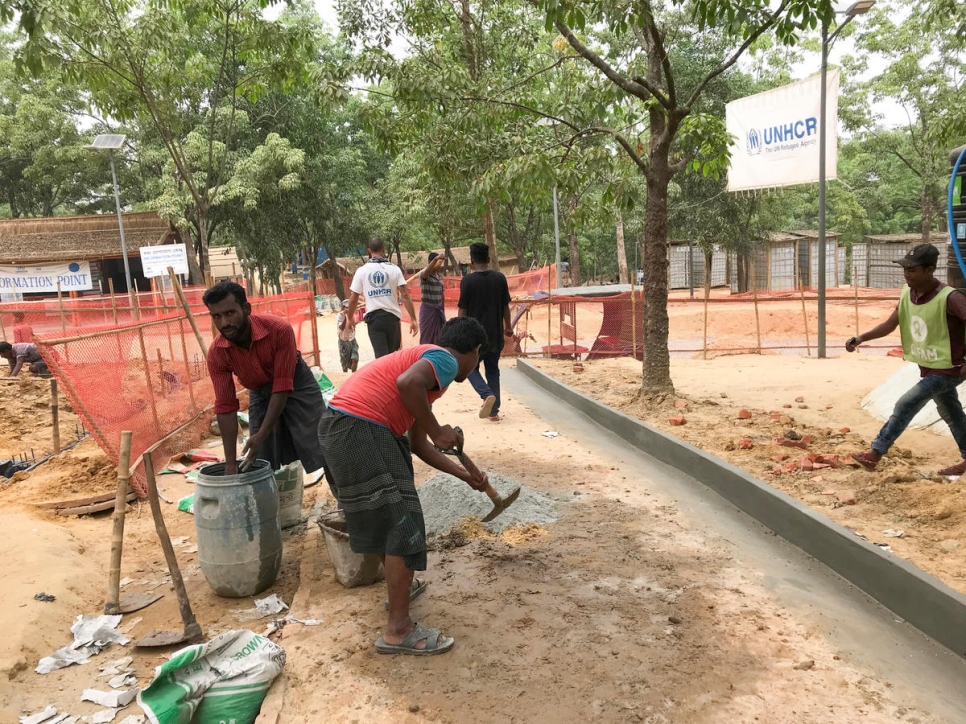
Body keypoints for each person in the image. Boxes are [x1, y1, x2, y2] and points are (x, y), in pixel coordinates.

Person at [317, 317, 489, 656]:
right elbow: (407, 383)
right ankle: (398, 630)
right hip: (362, 427)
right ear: (475, 351)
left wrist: (465, 475)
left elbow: (419, 445)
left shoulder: (425, 371)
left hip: (341, 428)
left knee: (387, 518)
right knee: (404, 523)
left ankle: (400, 591)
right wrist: (440, 429)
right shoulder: (443, 358)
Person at [847, 244, 966, 476]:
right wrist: (861, 338)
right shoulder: (908, 294)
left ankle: (875, 453)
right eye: (905, 269)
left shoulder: (950, 298)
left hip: (948, 369)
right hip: (929, 367)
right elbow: (891, 324)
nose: (907, 274)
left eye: (912, 270)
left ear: (930, 270)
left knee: (905, 404)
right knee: (951, 413)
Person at [204, 281, 326, 476]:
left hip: (296, 382)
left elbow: (282, 386)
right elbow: (226, 407)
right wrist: (229, 464)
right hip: (259, 392)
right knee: (260, 458)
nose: (224, 323)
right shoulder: (217, 354)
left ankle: (345, 495)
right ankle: (269, 502)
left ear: (246, 309)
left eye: (230, 313)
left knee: (322, 443)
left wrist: (262, 433)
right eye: (216, 316)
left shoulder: (279, 330)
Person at [458, 242, 512, 421]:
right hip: (495, 334)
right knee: (493, 370)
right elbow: (505, 306)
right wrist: (508, 326)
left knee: (470, 369)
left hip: (475, 336)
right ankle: (494, 412)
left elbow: (463, 310)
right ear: (488, 259)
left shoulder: (467, 281)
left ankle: (486, 394)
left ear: (472, 261)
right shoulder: (500, 278)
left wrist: (460, 330)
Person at [345, 238, 418, 358]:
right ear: (383, 249)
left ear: (369, 251)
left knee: (380, 358)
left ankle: (384, 376)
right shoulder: (394, 269)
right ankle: (393, 377)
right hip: (392, 318)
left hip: (374, 320)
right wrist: (413, 319)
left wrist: (350, 318)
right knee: (393, 356)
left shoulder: (361, 271)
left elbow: (353, 298)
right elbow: (405, 294)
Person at [418, 252, 446, 345]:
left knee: (440, 337)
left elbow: (442, 295)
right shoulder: (424, 275)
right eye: (438, 262)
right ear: (430, 262)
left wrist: (443, 310)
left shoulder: (440, 277)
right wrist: (435, 259)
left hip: (438, 311)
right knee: (426, 338)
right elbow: (425, 274)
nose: (439, 264)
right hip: (428, 311)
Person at [336, 299, 359, 373]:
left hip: (352, 340)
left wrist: (350, 316)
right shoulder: (339, 316)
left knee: (355, 359)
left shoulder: (353, 315)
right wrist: (346, 317)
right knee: (344, 363)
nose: (348, 309)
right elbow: (341, 328)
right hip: (343, 341)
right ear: (343, 308)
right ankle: (345, 376)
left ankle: (353, 375)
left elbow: (354, 324)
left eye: (349, 307)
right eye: (346, 307)